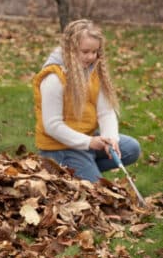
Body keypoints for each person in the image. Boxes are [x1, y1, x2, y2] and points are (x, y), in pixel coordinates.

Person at [33, 19, 141, 183]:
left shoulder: (93, 71)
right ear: (69, 49)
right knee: (96, 192)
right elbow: (52, 126)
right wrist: (89, 142)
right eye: (85, 52)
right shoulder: (54, 77)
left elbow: (106, 111)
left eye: (95, 51)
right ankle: (74, 169)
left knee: (131, 148)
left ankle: (85, 167)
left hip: (87, 140)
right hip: (60, 148)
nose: (91, 57)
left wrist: (110, 139)